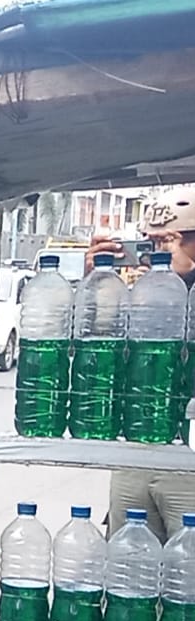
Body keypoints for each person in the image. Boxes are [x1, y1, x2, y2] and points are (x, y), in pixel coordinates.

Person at [92, 188, 195, 539]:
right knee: (128, 569)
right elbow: (94, 351)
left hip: (188, 458)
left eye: (171, 241)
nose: (156, 254)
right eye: (149, 244)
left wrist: (186, 278)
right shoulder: (144, 291)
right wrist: (97, 281)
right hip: (135, 448)